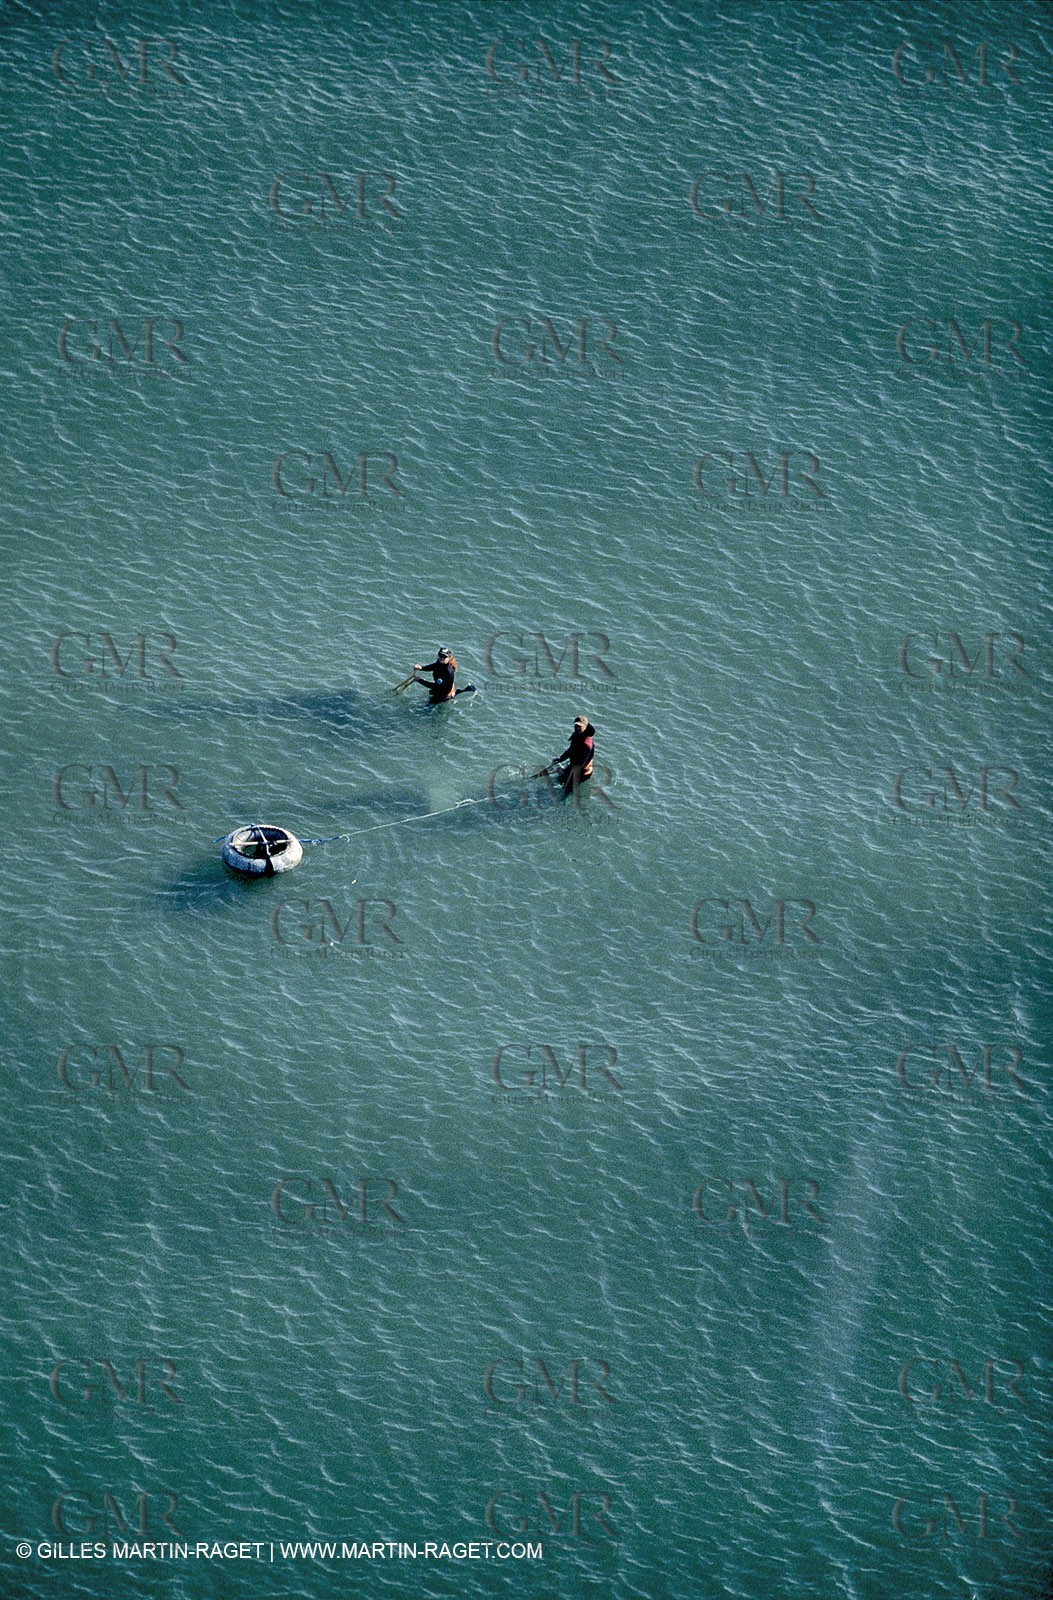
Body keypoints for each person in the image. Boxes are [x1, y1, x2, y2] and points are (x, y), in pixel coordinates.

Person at [540, 714, 595, 798]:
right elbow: (570, 750)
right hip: (574, 764)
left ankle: (566, 805)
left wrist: (564, 772)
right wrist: (561, 759)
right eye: (576, 725)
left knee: (566, 789)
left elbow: (580, 765)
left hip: (582, 772)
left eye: (580, 726)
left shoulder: (586, 744)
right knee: (559, 780)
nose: (577, 728)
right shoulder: (578, 734)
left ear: (585, 727)